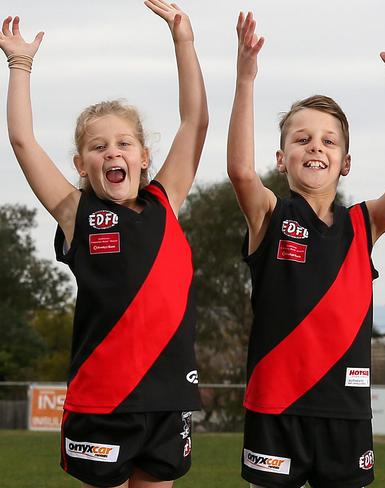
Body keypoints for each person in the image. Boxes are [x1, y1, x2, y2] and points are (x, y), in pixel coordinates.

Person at [0, 0, 208, 486]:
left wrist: (183, 41)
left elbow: (194, 122)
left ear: (143, 156)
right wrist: (20, 65)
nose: (112, 151)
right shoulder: (77, 213)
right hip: (102, 401)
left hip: (168, 400)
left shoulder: (166, 200)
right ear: (81, 164)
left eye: (123, 143)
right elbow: (23, 141)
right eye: (98, 147)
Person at [227, 11, 385, 488]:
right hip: (276, 408)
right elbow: (239, 170)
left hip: (345, 412)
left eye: (328, 141)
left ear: (345, 161)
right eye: (302, 139)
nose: (315, 147)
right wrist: (245, 77)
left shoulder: (363, 224)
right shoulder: (270, 216)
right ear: (282, 158)